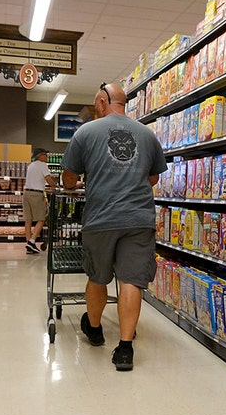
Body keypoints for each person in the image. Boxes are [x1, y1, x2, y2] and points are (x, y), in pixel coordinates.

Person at [61, 82, 167, 371]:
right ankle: (125, 348)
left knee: (98, 277)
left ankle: (94, 329)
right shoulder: (147, 134)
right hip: (139, 219)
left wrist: (76, 185)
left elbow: (68, 176)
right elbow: (154, 177)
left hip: (101, 219)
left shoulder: (85, 132)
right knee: (131, 280)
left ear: (101, 102)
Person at [23, 148, 57, 254]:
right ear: (40, 156)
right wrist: (56, 187)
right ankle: (32, 242)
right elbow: (49, 179)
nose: (47, 156)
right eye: (45, 154)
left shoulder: (31, 165)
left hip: (26, 193)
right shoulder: (43, 165)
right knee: (42, 219)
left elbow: (36, 181)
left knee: (28, 219)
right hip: (36, 195)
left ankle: (29, 243)